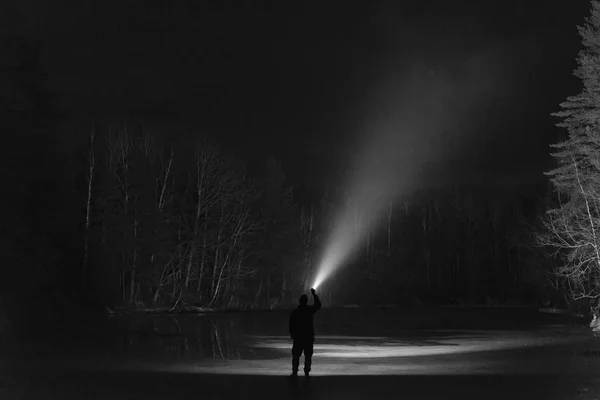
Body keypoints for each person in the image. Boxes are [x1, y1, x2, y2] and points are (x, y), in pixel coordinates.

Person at [289, 288, 322, 379]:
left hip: (298, 337)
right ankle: (306, 372)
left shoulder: (295, 312)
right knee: (308, 356)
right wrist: (314, 295)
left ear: (300, 301)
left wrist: (293, 334)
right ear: (306, 301)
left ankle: (295, 372)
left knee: (296, 355)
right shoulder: (309, 310)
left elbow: (291, 324)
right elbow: (318, 305)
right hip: (308, 337)